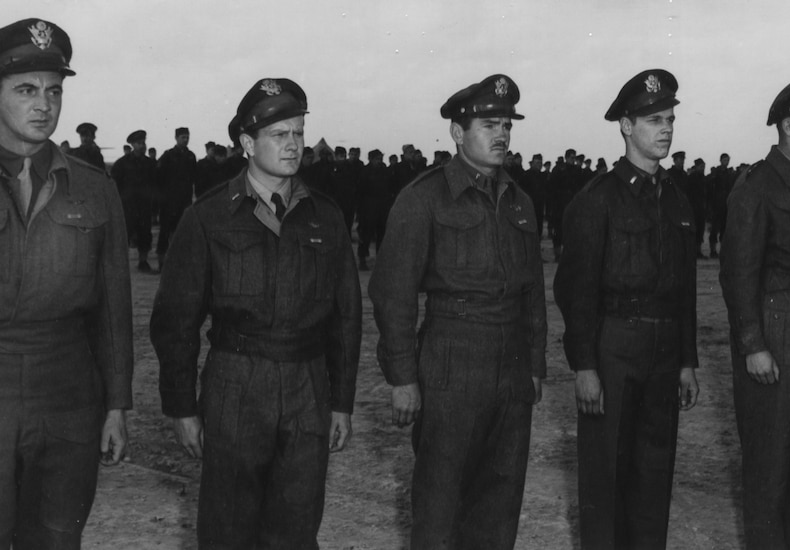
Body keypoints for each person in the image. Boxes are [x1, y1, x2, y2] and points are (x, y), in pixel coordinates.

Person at [151, 77, 361, 549]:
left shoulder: (324, 215)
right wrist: (182, 406)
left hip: (308, 385)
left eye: (298, 133)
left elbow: (346, 318)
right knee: (228, 528)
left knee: (297, 526)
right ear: (247, 143)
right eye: (279, 135)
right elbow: (175, 321)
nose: (293, 145)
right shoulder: (207, 217)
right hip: (235, 384)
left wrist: (342, 401)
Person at [369, 74, 546, 549]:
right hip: (451, 358)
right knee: (440, 501)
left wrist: (534, 364)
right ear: (457, 132)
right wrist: (403, 377)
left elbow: (532, 291)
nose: (502, 134)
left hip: (510, 363)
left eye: (507, 124)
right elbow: (393, 292)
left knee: (500, 498)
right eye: (490, 124)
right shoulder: (423, 197)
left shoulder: (521, 201)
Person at [0, 18, 133, 548]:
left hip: (69, 397)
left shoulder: (95, 188)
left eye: (54, 92)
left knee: (57, 538)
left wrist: (117, 406)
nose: (44, 106)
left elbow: (114, 311)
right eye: (26, 90)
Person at [554, 69, 699, 550]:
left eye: (670, 119)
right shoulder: (596, 200)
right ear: (626, 126)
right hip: (614, 347)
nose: (666, 129)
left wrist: (686, 360)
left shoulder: (677, 197)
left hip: (662, 353)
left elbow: (685, 290)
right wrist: (585, 367)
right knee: (605, 477)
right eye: (654, 119)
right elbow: (574, 291)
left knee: (654, 475)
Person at [719, 69, 790, 550]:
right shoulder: (756, 186)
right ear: (787, 125)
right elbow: (737, 273)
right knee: (769, 467)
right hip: (778, 331)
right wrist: (753, 345)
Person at [111, 129, 158, 273]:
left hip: (144, 206)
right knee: (124, 235)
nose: (142, 146)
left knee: (145, 234)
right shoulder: (121, 164)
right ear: (132, 145)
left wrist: (154, 207)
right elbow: (114, 185)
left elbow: (155, 185)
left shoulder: (150, 164)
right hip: (127, 207)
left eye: (143, 142)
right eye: (139, 143)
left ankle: (143, 262)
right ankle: (120, 264)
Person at [156, 126, 196, 270]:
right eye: (183, 137)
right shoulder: (168, 155)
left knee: (182, 232)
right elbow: (159, 177)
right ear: (176, 138)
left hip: (184, 201)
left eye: (187, 137)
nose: (185, 140)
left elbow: (193, 178)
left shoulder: (191, 156)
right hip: (168, 201)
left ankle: (180, 262)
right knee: (165, 231)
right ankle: (162, 261)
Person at [708, 152, 734, 258]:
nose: (726, 162)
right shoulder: (716, 173)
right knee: (714, 229)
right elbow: (711, 188)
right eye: (724, 160)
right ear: (721, 160)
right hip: (716, 205)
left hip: (725, 205)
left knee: (724, 229)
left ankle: (723, 250)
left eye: (727, 160)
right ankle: (713, 250)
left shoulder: (729, 174)